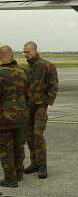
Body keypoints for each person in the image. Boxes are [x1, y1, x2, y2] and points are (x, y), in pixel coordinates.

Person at [22, 41, 58, 179]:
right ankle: (34, 163)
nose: (25, 54)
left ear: (35, 51)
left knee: (38, 134)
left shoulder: (46, 66)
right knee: (29, 135)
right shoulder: (27, 69)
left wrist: (47, 103)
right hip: (28, 107)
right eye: (24, 51)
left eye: (28, 51)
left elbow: (53, 85)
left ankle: (42, 165)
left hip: (40, 106)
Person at [0, 45, 29, 188]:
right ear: (11, 55)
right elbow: (28, 93)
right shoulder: (23, 72)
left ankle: (10, 179)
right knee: (19, 146)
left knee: (6, 149)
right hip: (22, 116)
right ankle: (19, 173)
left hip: (4, 119)